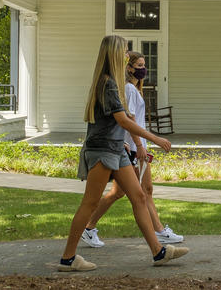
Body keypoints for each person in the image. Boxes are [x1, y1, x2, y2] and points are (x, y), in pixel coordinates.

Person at [58, 35, 189, 271]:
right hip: (102, 150)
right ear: (115, 54)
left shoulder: (113, 83)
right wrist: (154, 139)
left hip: (116, 148)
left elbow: (121, 120)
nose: (128, 54)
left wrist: (127, 142)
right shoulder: (107, 83)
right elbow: (123, 120)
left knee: (138, 196)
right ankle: (68, 259)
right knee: (90, 203)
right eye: (125, 51)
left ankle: (159, 252)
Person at [81, 51, 183, 248]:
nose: (143, 69)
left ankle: (89, 227)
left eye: (144, 65)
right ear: (129, 68)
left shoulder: (134, 89)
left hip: (131, 147)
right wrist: (139, 146)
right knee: (145, 191)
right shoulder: (128, 89)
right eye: (139, 66)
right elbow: (130, 120)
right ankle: (159, 231)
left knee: (118, 193)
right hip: (132, 148)